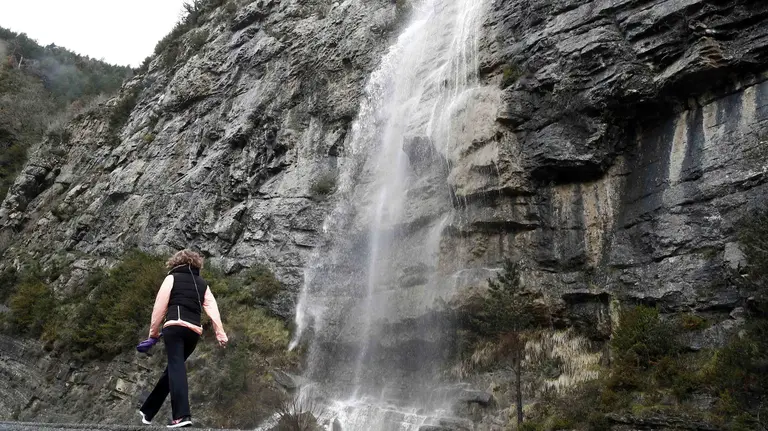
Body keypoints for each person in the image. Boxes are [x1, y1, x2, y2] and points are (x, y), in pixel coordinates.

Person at [137, 249, 228, 428]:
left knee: (176, 368)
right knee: (174, 368)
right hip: (193, 333)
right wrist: (220, 334)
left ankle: (181, 416)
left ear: (175, 263)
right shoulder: (203, 284)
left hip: (175, 328)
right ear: (197, 265)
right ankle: (149, 410)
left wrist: (153, 335)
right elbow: (213, 310)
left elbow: (159, 308)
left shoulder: (171, 278)